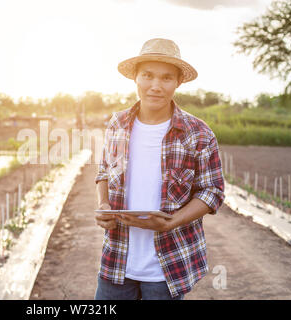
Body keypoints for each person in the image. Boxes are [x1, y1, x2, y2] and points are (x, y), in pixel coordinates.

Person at [94, 38, 225, 300]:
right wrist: (104, 205)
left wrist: (170, 223)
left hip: (168, 267)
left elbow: (213, 191)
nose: (155, 86)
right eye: (148, 75)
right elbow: (104, 171)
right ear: (136, 78)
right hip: (117, 262)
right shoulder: (117, 123)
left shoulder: (198, 133)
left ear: (178, 82)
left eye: (166, 78)